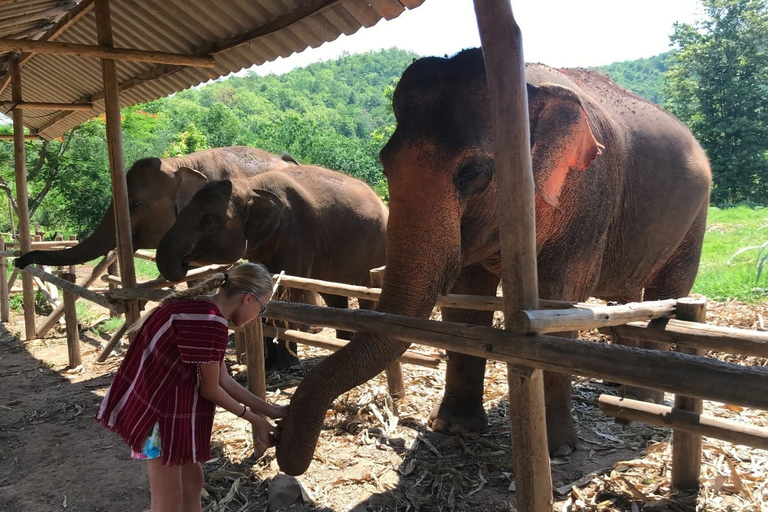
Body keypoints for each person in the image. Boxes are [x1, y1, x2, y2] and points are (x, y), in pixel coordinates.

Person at [95, 262, 288, 512]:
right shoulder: (209, 321)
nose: (257, 316)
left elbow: (223, 380)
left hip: (171, 412)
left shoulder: (204, 310)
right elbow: (210, 389)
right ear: (248, 298)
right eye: (261, 308)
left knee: (192, 484)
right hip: (161, 416)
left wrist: (271, 411)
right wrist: (255, 420)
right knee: (168, 503)